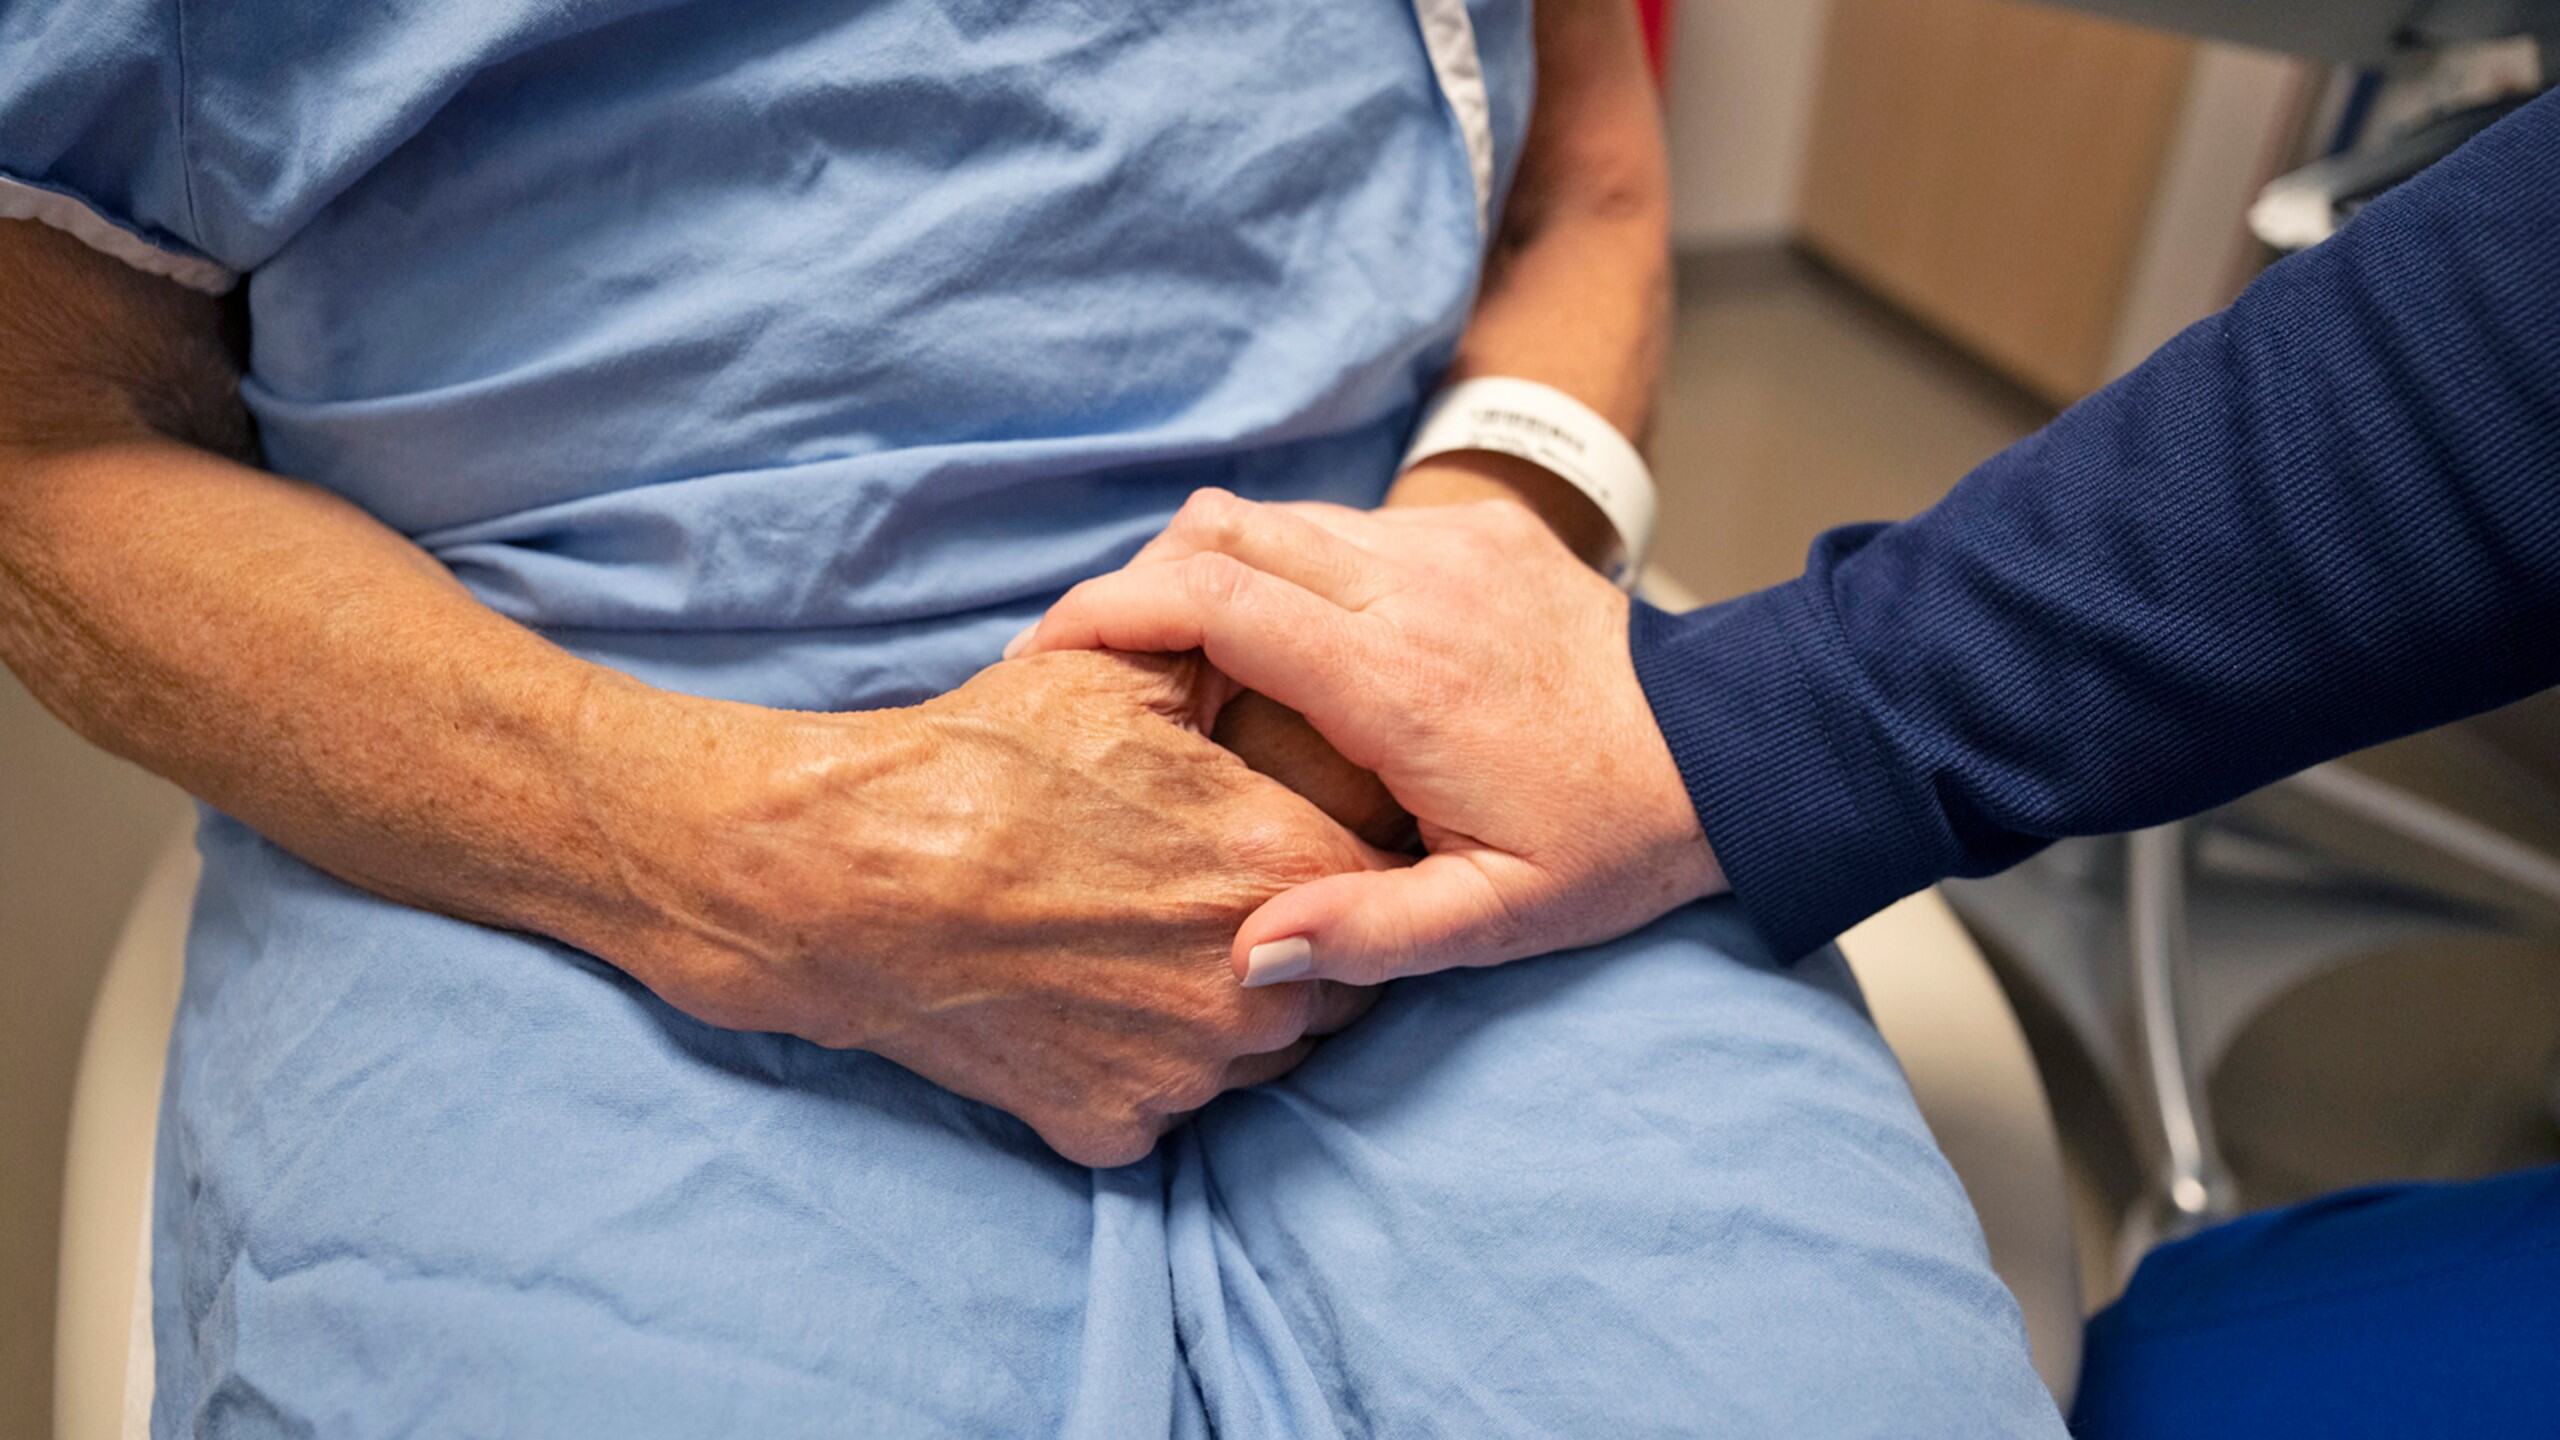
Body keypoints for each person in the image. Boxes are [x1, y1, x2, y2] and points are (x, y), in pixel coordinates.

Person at [0, 1, 2066, 1434]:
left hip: (1388, 732)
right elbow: (45, 430)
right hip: (575, 776)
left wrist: (1432, 589)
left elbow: (1581, 202)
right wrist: (724, 855)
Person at [1015, 83, 2560, 1436]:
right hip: (803, 748)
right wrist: (791, 858)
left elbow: (1594, 191)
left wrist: (1720, 708)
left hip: (1401, 649)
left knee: (2174, 1379)